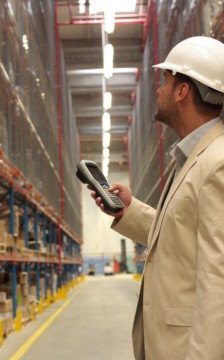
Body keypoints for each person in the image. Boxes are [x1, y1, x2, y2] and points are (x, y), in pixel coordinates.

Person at [88, 36, 224, 360]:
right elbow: (180, 234)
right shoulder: (192, 159)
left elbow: (217, 285)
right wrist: (128, 210)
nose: (159, 90)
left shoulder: (217, 164)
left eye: (165, 81)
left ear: (182, 92)